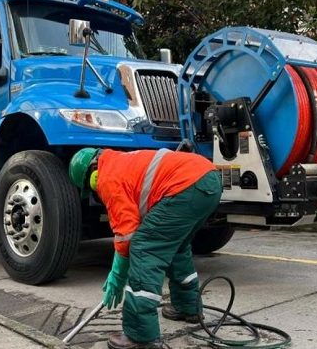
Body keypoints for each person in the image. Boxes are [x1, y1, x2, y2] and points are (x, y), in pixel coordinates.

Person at [69, 148, 222, 349]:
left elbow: (126, 237)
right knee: (176, 248)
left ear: (93, 172)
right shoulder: (122, 160)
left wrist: (117, 275)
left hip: (186, 186)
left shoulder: (108, 178)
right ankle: (188, 306)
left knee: (144, 248)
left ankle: (140, 334)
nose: (95, 191)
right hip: (209, 179)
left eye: (91, 186)